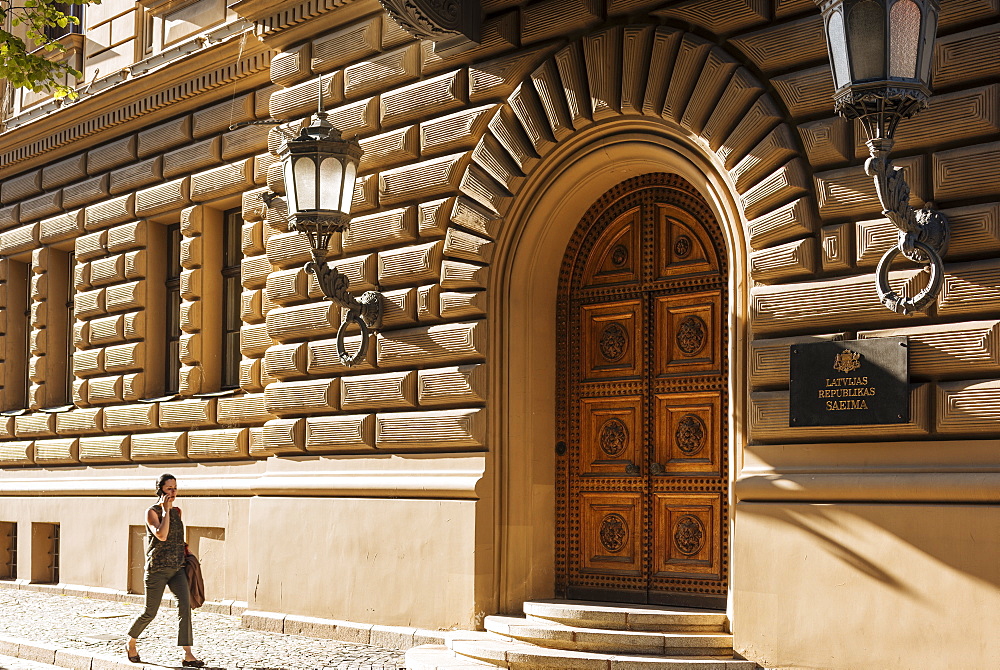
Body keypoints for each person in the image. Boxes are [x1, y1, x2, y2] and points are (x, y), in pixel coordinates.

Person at [125, 474, 204, 667]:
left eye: (175, 488)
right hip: (157, 570)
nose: (173, 492)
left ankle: (187, 654)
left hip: (177, 568)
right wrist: (165, 511)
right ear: (160, 490)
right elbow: (161, 535)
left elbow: (175, 537)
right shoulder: (152, 512)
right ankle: (130, 642)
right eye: (169, 488)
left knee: (185, 607)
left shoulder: (178, 511)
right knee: (150, 612)